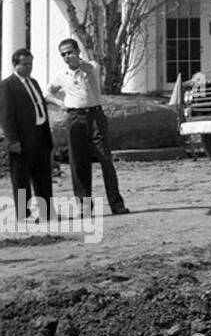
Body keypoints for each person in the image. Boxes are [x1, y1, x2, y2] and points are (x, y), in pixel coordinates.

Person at [47, 38, 129, 216]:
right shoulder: (62, 75)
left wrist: (79, 63)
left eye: (70, 52)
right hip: (75, 117)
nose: (67, 57)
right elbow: (48, 92)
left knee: (105, 160)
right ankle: (84, 207)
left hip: (95, 116)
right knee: (78, 163)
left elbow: (89, 69)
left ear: (77, 51)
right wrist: (61, 103)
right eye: (63, 54)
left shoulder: (91, 67)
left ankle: (116, 204)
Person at [1, 48, 54, 224]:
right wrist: (13, 140)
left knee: (43, 176)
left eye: (31, 64)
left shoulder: (34, 82)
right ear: (15, 64)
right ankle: (24, 214)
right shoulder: (7, 86)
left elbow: (41, 108)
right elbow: (6, 116)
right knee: (21, 178)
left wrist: (47, 137)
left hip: (40, 136)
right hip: (21, 139)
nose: (29, 67)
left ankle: (47, 212)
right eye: (25, 64)